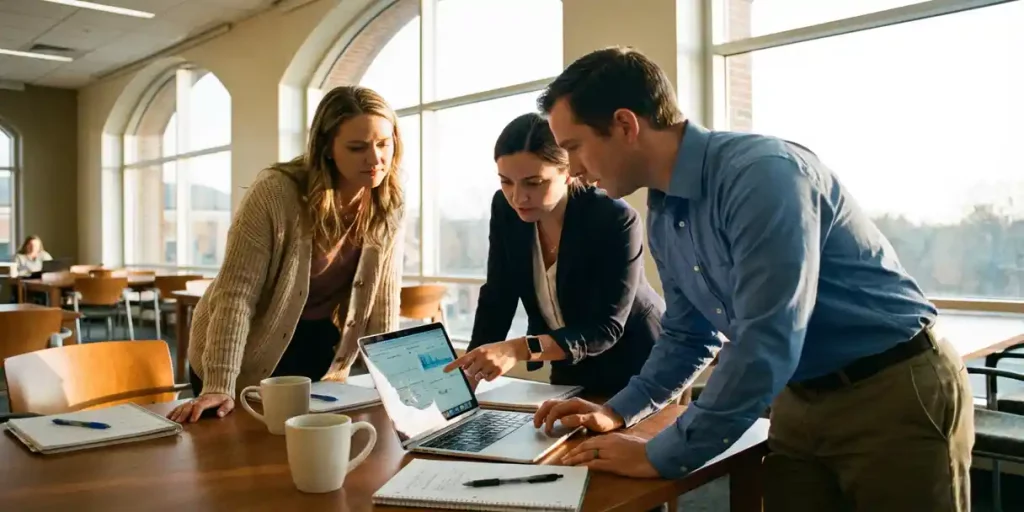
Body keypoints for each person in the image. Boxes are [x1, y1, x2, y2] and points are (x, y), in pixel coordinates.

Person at [532, 47, 972, 512]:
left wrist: (659, 455)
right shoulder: (663, 210)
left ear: (625, 125)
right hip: (798, 395)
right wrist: (617, 411)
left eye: (574, 147)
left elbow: (766, 339)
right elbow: (688, 334)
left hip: (890, 388)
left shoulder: (761, 175)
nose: (572, 169)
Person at [168, 85, 405, 423]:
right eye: (357, 147)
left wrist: (393, 382)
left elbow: (382, 302)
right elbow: (236, 295)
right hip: (239, 348)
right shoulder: (276, 193)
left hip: (317, 345)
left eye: (383, 143)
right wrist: (219, 383)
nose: (375, 159)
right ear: (326, 148)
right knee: (239, 449)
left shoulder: (389, 203)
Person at [443, 113, 664, 396]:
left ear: (568, 171)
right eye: (506, 181)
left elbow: (605, 327)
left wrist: (518, 349)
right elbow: (498, 295)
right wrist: (470, 372)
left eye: (534, 182)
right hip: (566, 362)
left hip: (638, 365)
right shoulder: (505, 209)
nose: (518, 197)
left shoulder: (613, 218)